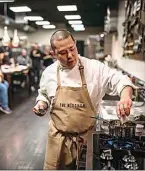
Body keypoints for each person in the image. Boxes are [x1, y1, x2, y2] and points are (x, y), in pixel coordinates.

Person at [32, 30, 136, 170]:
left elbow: (120, 79)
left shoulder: (94, 68)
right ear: (53, 53)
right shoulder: (49, 73)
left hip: (87, 139)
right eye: (62, 53)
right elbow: (44, 94)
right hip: (58, 140)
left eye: (72, 49)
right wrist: (42, 104)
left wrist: (125, 97)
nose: (70, 56)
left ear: (75, 44)